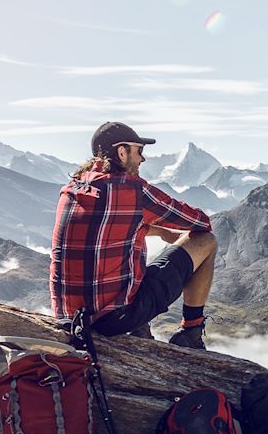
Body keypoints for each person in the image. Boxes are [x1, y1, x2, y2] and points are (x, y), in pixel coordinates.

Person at [51, 121, 217, 347]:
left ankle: (141, 331)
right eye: (139, 151)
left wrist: (157, 231)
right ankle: (191, 332)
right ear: (122, 152)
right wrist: (165, 228)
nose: (143, 158)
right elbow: (200, 222)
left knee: (127, 267)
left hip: (69, 317)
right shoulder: (133, 190)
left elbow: (107, 228)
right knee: (206, 241)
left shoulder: (72, 189)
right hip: (112, 320)